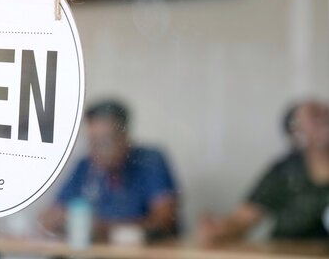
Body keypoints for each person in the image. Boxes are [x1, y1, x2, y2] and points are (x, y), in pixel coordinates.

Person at [40, 100, 179, 241]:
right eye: (92, 141)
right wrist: (57, 220)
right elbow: (51, 214)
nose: (95, 151)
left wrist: (102, 228)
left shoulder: (149, 161)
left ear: (124, 138)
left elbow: (163, 221)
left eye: (104, 142)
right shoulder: (85, 165)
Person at [197, 100, 329, 243]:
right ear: (296, 132)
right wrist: (219, 229)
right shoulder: (285, 171)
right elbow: (244, 220)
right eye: (315, 115)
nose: (325, 119)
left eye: (326, 112)